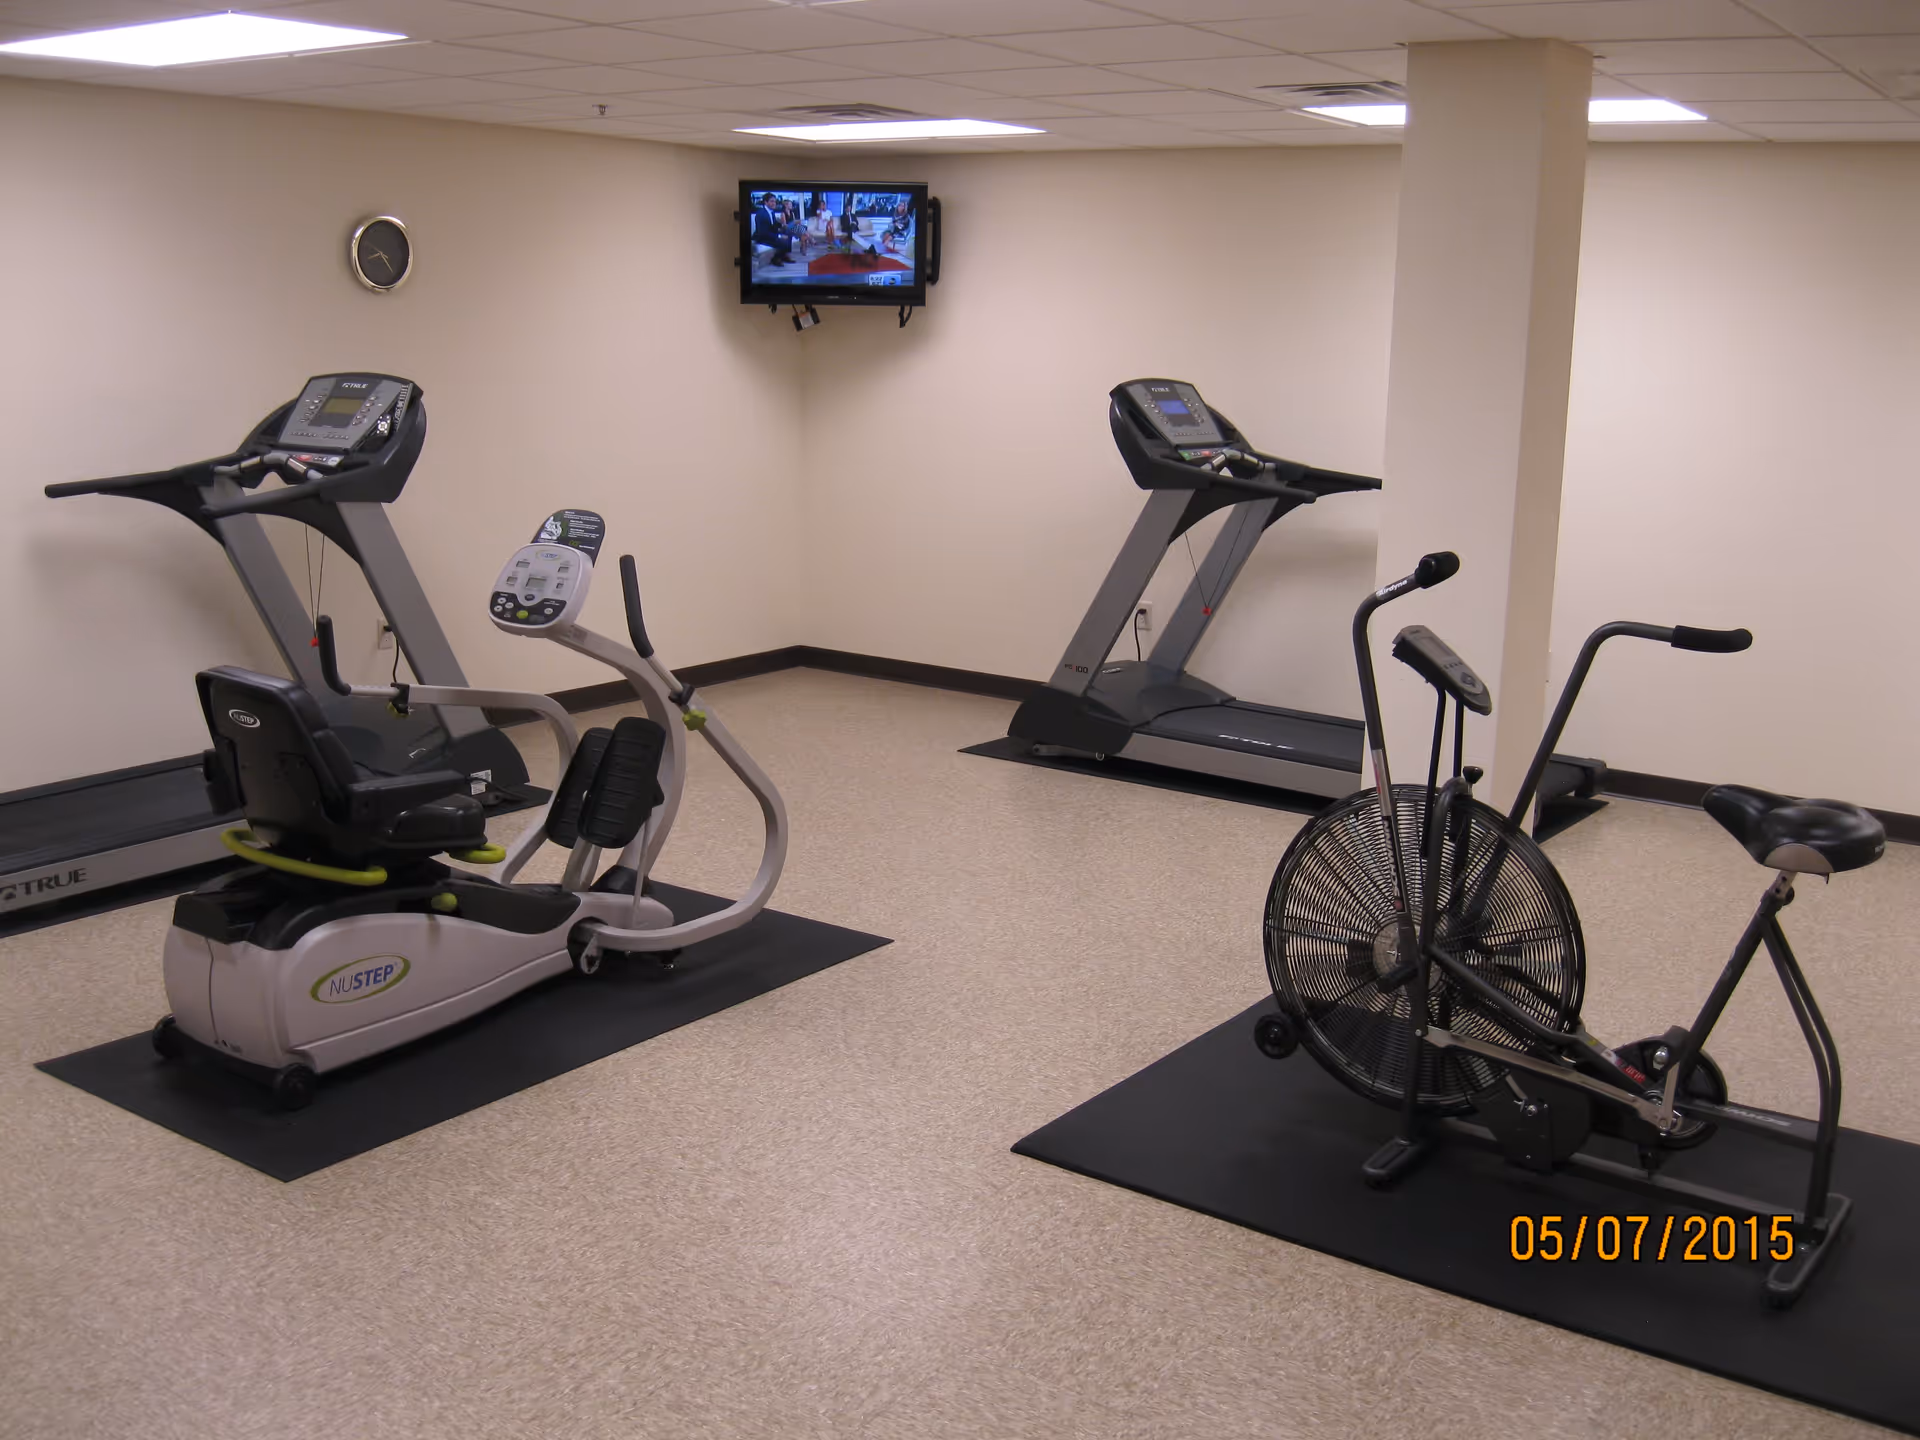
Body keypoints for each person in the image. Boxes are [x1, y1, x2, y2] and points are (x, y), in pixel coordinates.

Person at [751, 194, 792, 267]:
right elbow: (764, 233)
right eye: (772, 201)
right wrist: (779, 236)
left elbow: (774, 225)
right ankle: (776, 259)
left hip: (770, 234)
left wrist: (782, 226)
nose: (774, 203)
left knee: (788, 233)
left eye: (775, 202)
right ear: (765, 202)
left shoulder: (771, 212)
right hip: (762, 237)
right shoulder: (761, 214)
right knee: (782, 241)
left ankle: (784, 255)